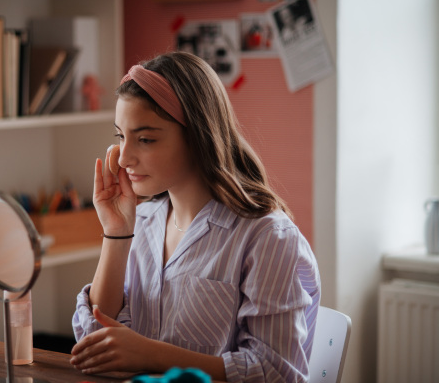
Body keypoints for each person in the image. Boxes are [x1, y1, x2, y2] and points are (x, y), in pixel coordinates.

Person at [70, 51, 321, 382]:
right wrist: (116, 233)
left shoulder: (267, 237)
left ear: (197, 136)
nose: (125, 157)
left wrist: (149, 354)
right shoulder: (141, 221)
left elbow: (276, 372)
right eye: (121, 136)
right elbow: (94, 342)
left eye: (145, 139)